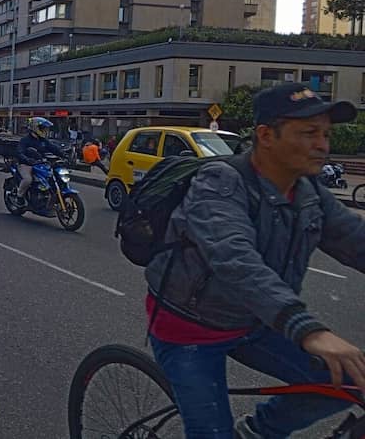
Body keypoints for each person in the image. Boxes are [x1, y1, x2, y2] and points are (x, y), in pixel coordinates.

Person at [145, 83, 365, 439]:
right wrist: (307, 328)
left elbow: (355, 239)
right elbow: (235, 259)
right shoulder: (219, 182)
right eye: (309, 133)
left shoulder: (308, 191)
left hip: (257, 320)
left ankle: (258, 432)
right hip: (190, 327)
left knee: (351, 382)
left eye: (326, 133)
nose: (323, 145)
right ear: (266, 135)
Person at [16, 117, 63, 206]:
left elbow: (53, 148)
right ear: (35, 128)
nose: (45, 130)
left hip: (40, 164)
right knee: (28, 179)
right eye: (43, 128)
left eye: (45, 129)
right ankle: (19, 196)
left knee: (51, 177)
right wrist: (27, 159)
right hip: (26, 165)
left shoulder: (43, 140)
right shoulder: (25, 140)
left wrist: (64, 155)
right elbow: (19, 152)